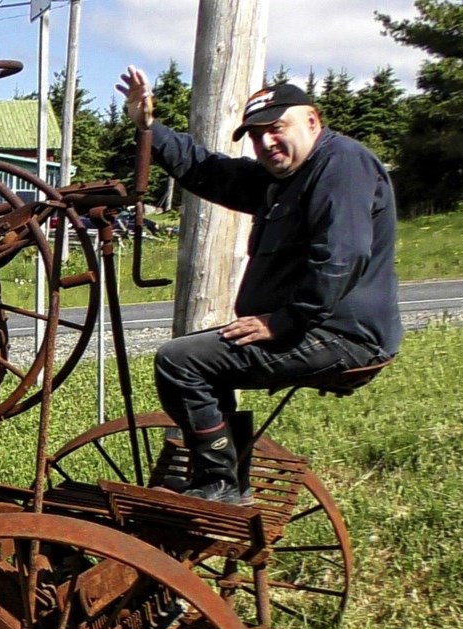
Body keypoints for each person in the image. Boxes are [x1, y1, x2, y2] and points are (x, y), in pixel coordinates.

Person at [115, 67, 402, 504]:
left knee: (181, 362)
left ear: (312, 120)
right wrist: (148, 128)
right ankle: (228, 472)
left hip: (341, 335)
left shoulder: (341, 165)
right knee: (204, 360)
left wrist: (285, 321)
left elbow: (341, 256)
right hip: (319, 329)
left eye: (276, 128)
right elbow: (209, 171)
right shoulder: (283, 179)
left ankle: (221, 483)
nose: (266, 142)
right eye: (256, 135)